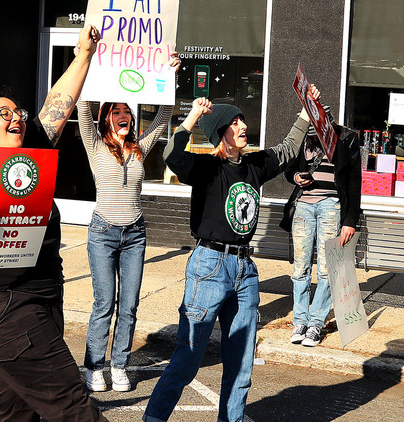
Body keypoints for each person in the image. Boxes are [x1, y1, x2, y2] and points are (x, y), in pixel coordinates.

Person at [0, 24, 109, 422]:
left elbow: (59, 103)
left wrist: (84, 53)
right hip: (1, 306)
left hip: (44, 301)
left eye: (19, 113)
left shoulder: (31, 159)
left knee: (19, 412)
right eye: (3, 113)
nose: (16, 118)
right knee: (73, 405)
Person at [143, 89, 315, 422]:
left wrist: (306, 113)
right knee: (188, 358)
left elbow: (287, 150)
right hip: (209, 265)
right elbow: (172, 157)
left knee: (241, 362)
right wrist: (192, 117)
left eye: (242, 119)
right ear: (221, 132)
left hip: (244, 269)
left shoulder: (253, 166)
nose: (242, 125)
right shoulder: (206, 167)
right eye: (234, 121)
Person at [78, 53, 180, 393]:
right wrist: (93, 68)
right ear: (107, 118)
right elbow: (82, 108)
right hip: (103, 232)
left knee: (130, 304)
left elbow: (164, 115)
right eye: (116, 111)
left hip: (135, 233)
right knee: (104, 303)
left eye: (127, 112)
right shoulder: (94, 145)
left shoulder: (139, 148)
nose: (123, 116)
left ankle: (119, 365)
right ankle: (94, 366)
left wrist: (170, 74)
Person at [280, 94, 362, 347]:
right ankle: (300, 322)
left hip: (331, 205)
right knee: (300, 267)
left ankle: (316, 323)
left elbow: (353, 180)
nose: (311, 130)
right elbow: (287, 168)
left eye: (315, 125)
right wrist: (296, 178)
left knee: (326, 267)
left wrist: (350, 220)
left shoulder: (345, 139)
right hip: (303, 205)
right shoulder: (302, 140)